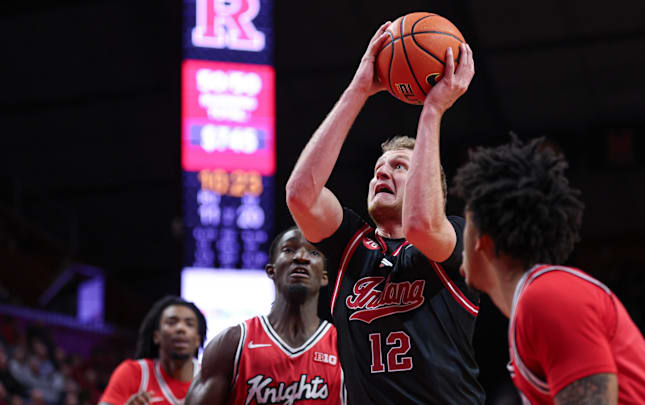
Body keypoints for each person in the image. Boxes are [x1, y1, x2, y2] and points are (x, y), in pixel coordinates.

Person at [285, 22, 485, 404]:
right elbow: (300, 195)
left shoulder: (455, 236)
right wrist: (358, 90)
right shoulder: (352, 246)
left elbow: (422, 224)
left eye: (399, 166)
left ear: (430, 186)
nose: (382, 171)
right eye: (379, 167)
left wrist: (433, 111)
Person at [452, 136, 645, 404]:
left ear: (485, 240)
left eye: (466, 224)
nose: (461, 237)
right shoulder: (535, 302)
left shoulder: (547, 296)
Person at [184, 227, 344, 405]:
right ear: (271, 270)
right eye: (289, 250)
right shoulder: (232, 343)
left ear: (324, 277)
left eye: (313, 252)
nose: (301, 257)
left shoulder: (345, 347)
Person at [99, 296, 206, 405]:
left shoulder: (209, 377)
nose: (181, 328)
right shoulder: (133, 373)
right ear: (156, 336)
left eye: (189, 324)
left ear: (198, 339)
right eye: (172, 322)